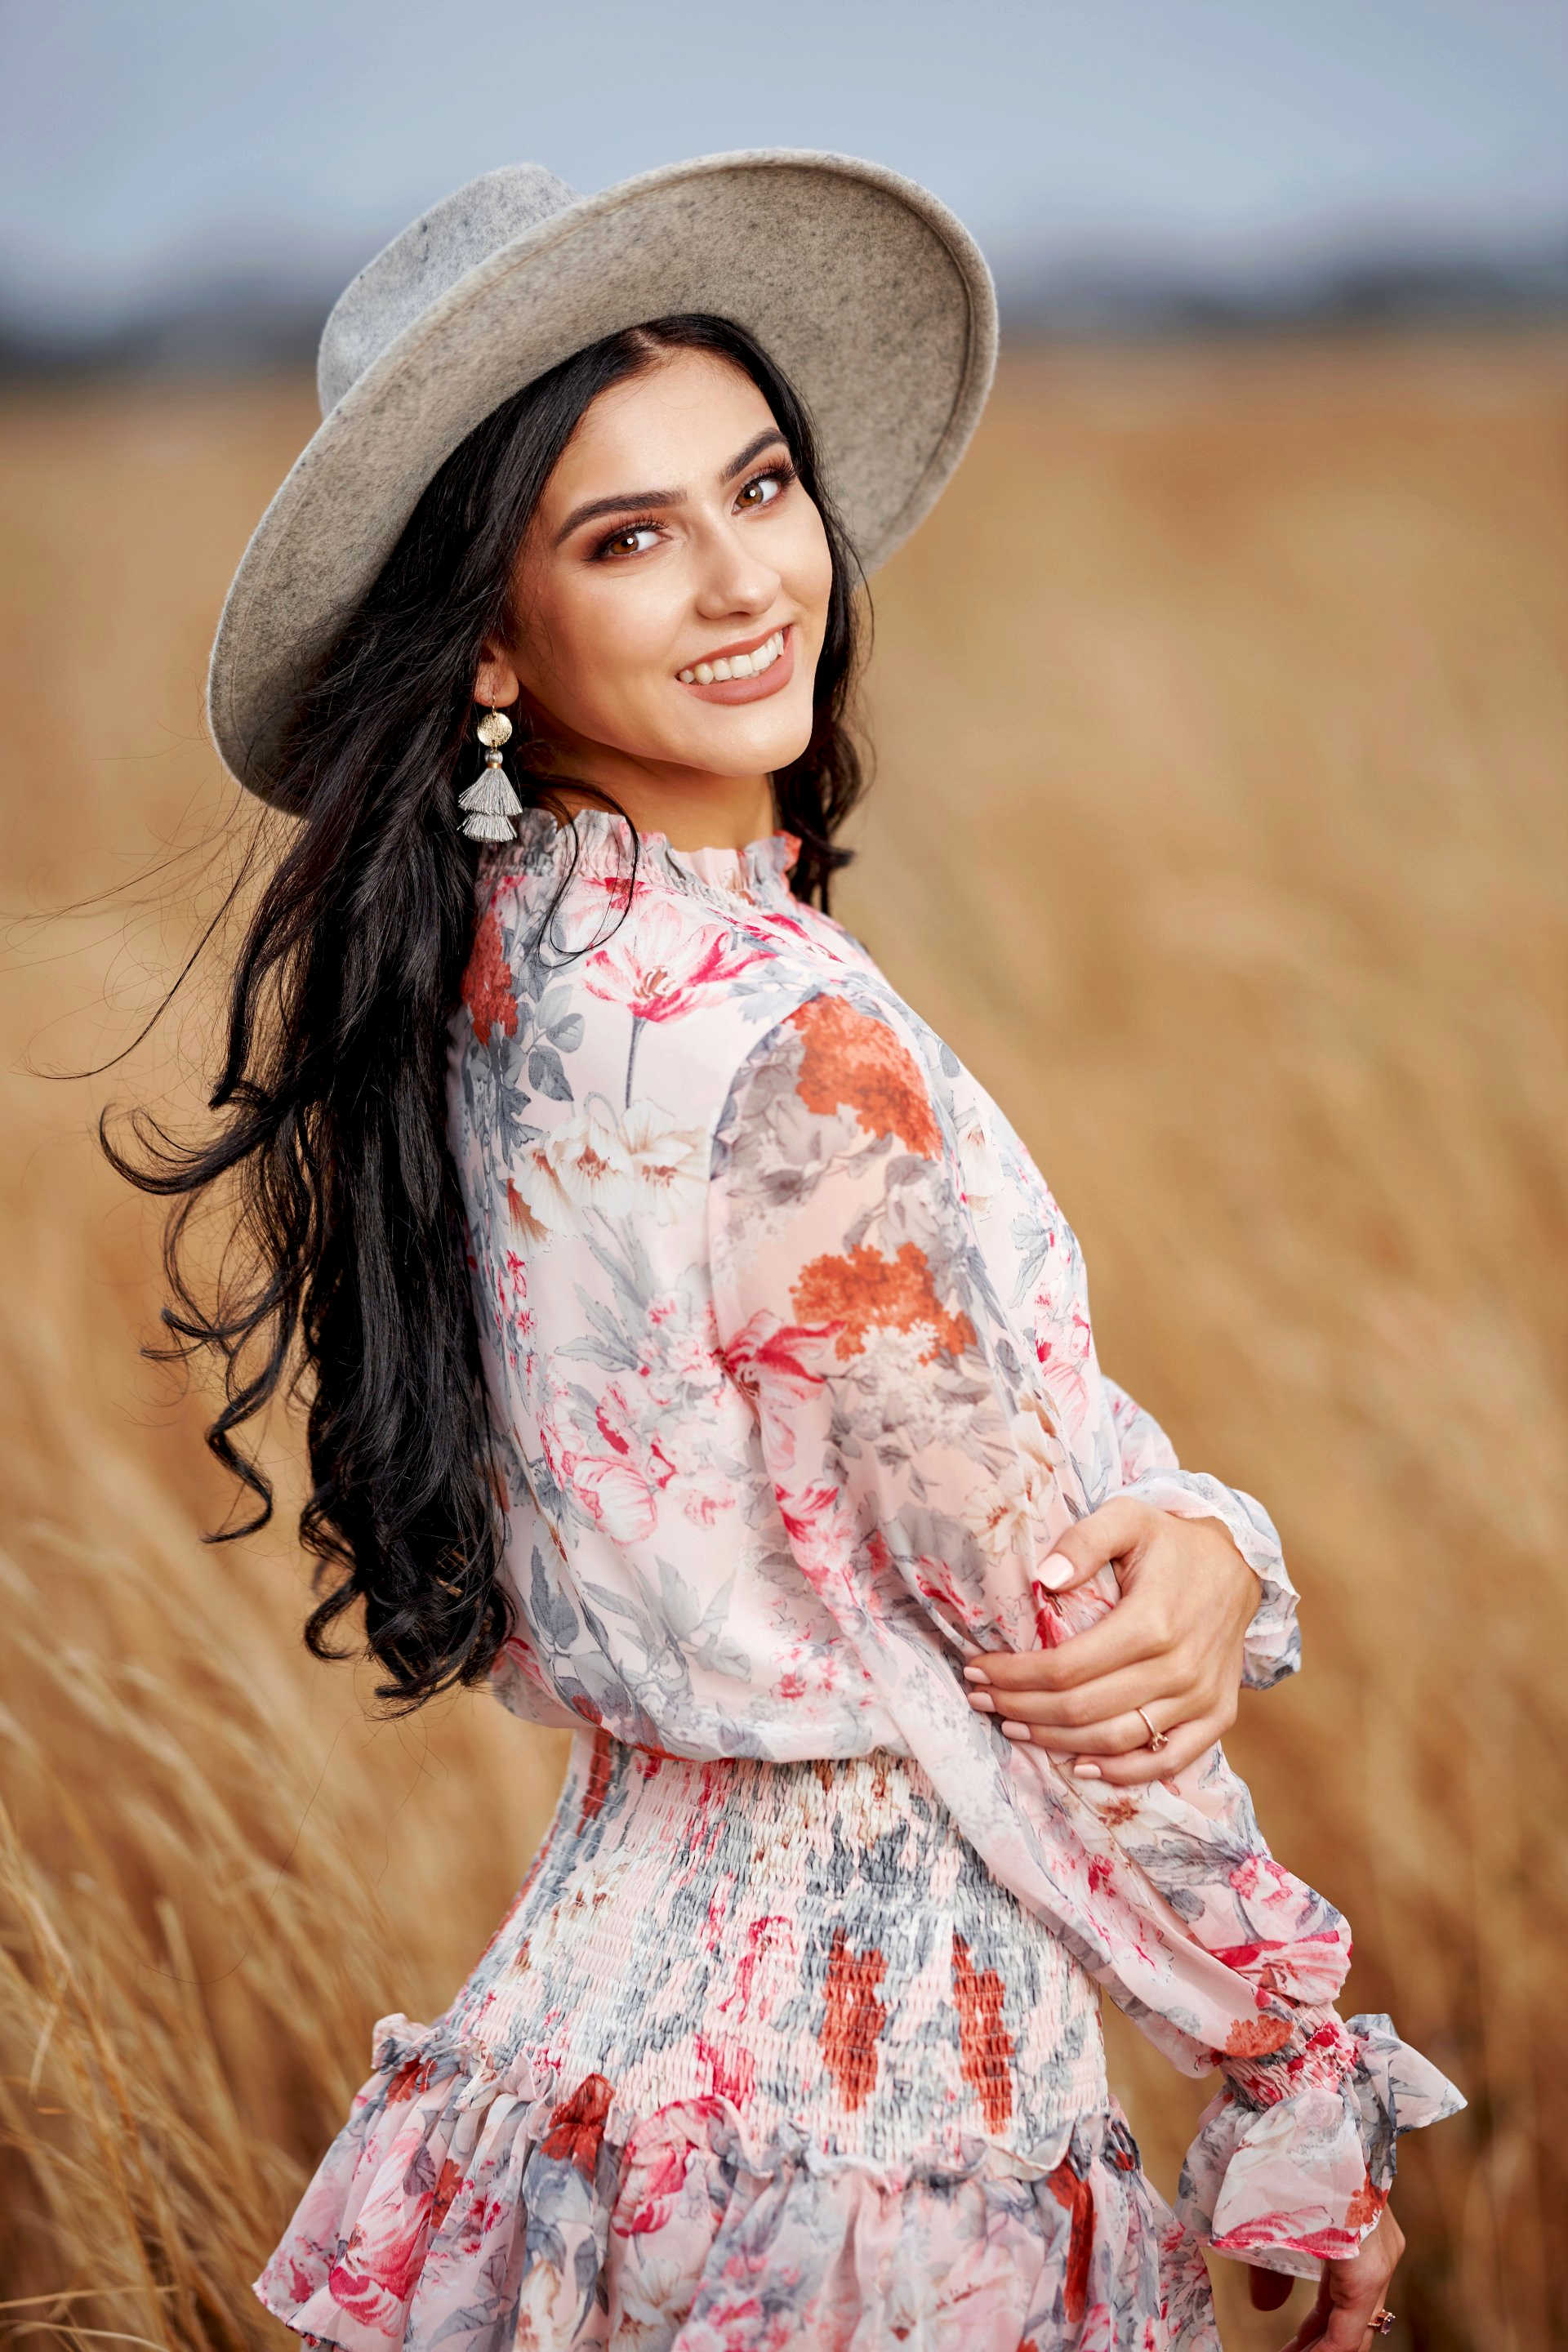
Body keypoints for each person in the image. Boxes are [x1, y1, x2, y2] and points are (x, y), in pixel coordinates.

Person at [133, 155, 1461, 2350]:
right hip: (863, 2122)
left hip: (571, 2078)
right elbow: (1041, 1649)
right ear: (489, 633)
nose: (750, 578)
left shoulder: (498, 981)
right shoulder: (786, 1042)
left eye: (760, 487)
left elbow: (916, 1460)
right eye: (627, 536)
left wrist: (1205, 1522)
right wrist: (1294, 2067)